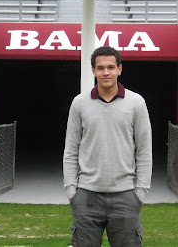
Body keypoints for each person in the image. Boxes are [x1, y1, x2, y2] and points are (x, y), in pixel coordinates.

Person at [63, 46, 152, 247]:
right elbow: (71, 150)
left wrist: (140, 193)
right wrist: (71, 191)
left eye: (111, 67)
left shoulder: (136, 103)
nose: (106, 72)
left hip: (126, 197)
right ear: (93, 70)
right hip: (86, 196)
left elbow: (144, 151)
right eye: (100, 68)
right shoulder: (79, 103)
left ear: (119, 69)